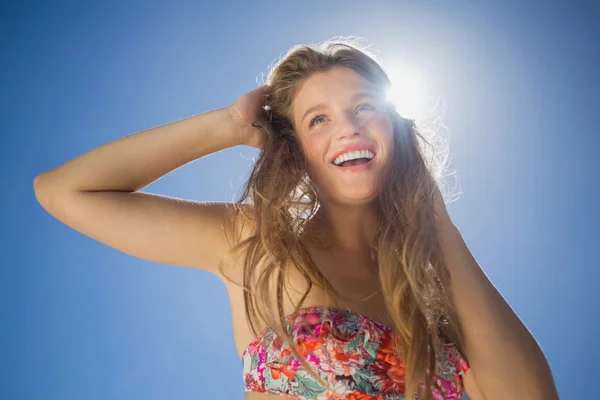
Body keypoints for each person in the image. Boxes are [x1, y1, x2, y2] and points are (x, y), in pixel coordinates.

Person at [34, 38, 558, 400]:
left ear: (394, 131)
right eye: (319, 119)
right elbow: (64, 191)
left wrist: (435, 218)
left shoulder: (431, 301)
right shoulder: (254, 243)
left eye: (364, 108)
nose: (347, 129)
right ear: (297, 150)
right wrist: (228, 126)